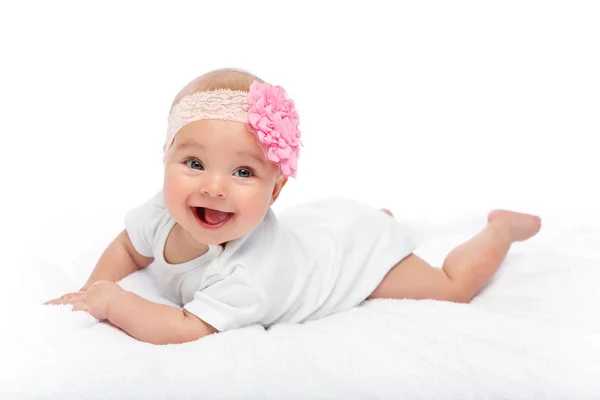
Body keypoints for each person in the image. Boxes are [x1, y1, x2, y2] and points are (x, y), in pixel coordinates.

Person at [44, 68, 542, 345]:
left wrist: (117, 302)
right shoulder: (159, 211)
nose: (214, 187)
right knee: (328, 231)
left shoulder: (247, 273)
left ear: (276, 191)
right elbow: (128, 249)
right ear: (165, 157)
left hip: (349, 261)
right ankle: (371, 219)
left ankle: (497, 230)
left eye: (243, 173)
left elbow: (186, 326)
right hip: (321, 228)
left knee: (449, 290)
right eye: (194, 163)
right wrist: (90, 288)